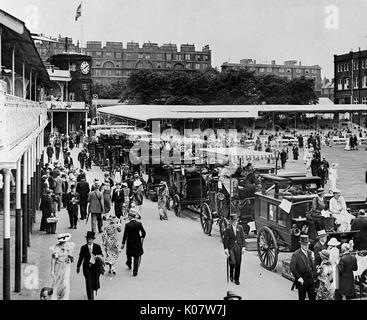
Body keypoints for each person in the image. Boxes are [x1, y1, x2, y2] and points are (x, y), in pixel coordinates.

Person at [76, 231, 103, 300]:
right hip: (86, 268)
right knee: (88, 283)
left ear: (93, 239)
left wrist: (98, 257)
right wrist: (78, 266)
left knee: (94, 282)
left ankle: (92, 291)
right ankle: (90, 298)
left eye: (90, 239)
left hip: (95, 268)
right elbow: (81, 258)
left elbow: (101, 255)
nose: (89, 241)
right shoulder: (83, 248)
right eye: (88, 239)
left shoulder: (97, 247)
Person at [290, 235, 317, 300]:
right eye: (304, 245)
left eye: (307, 244)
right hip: (302, 280)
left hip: (310, 279)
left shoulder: (310, 252)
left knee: (312, 296)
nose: (306, 246)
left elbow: (312, 265)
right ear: (301, 244)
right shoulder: (296, 254)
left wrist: (314, 275)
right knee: (302, 297)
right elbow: (292, 268)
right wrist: (299, 277)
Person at [121, 208, 146, 277]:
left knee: (129, 254)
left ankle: (129, 264)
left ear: (131, 217)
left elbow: (125, 235)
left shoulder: (127, 225)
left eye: (129, 216)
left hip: (130, 242)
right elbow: (144, 233)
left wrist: (123, 243)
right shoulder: (139, 224)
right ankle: (135, 272)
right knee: (136, 256)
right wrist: (142, 237)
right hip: (137, 242)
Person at [223, 213, 246, 285]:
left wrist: (243, 247)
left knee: (238, 263)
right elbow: (225, 240)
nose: (235, 222)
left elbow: (243, 237)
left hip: (238, 247)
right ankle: (231, 274)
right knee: (233, 262)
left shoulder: (240, 227)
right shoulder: (228, 229)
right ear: (231, 221)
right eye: (233, 221)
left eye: (236, 220)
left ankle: (236, 279)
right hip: (231, 247)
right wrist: (226, 249)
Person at [50, 233, 74, 300]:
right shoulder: (55, 248)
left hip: (66, 266)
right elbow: (53, 259)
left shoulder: (69, 246)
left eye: (64, 242)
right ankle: (55, 297)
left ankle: (65, 297)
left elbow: (71, 258)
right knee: (57, 281)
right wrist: (52, 270)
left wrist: (70, 258)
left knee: (65, 282)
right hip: (58, 266)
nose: (63, 243)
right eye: (61, 242)